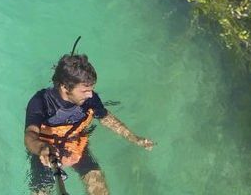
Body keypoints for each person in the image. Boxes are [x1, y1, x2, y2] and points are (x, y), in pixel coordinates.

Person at [24, 54, 154, 195]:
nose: (91, 95)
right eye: (85, 90)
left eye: (91, 89)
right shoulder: (41, 102)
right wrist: (42, 149)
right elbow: (30, 135)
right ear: (65, 87)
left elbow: (105, 118)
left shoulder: (90, 100)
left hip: (76, 147)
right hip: (46, 154)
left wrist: (134, 138)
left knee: (97, 183)